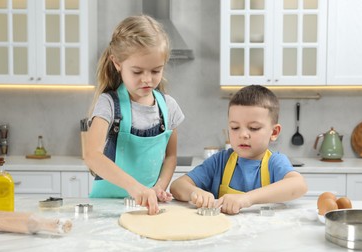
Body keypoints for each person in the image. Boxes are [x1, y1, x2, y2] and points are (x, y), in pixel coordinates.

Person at [84, 15, 184, 215]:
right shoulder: (109, 104)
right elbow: (91, 155)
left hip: (147, 208)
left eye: (156, 70)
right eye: (137, 72)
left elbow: (171, 156)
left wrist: (159, 187)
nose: (147, 79)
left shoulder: (168, 106)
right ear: (117, 63)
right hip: (107, 209)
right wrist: (134, 187)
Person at [170, 85, 307, 215]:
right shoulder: (219, 162)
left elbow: (299, 185)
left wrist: (247, 199)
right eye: (235, 127)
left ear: (274, 132)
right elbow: (177, 186)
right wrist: (195, 193)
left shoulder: (274, 162)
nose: (243, 134)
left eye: (253, 128)